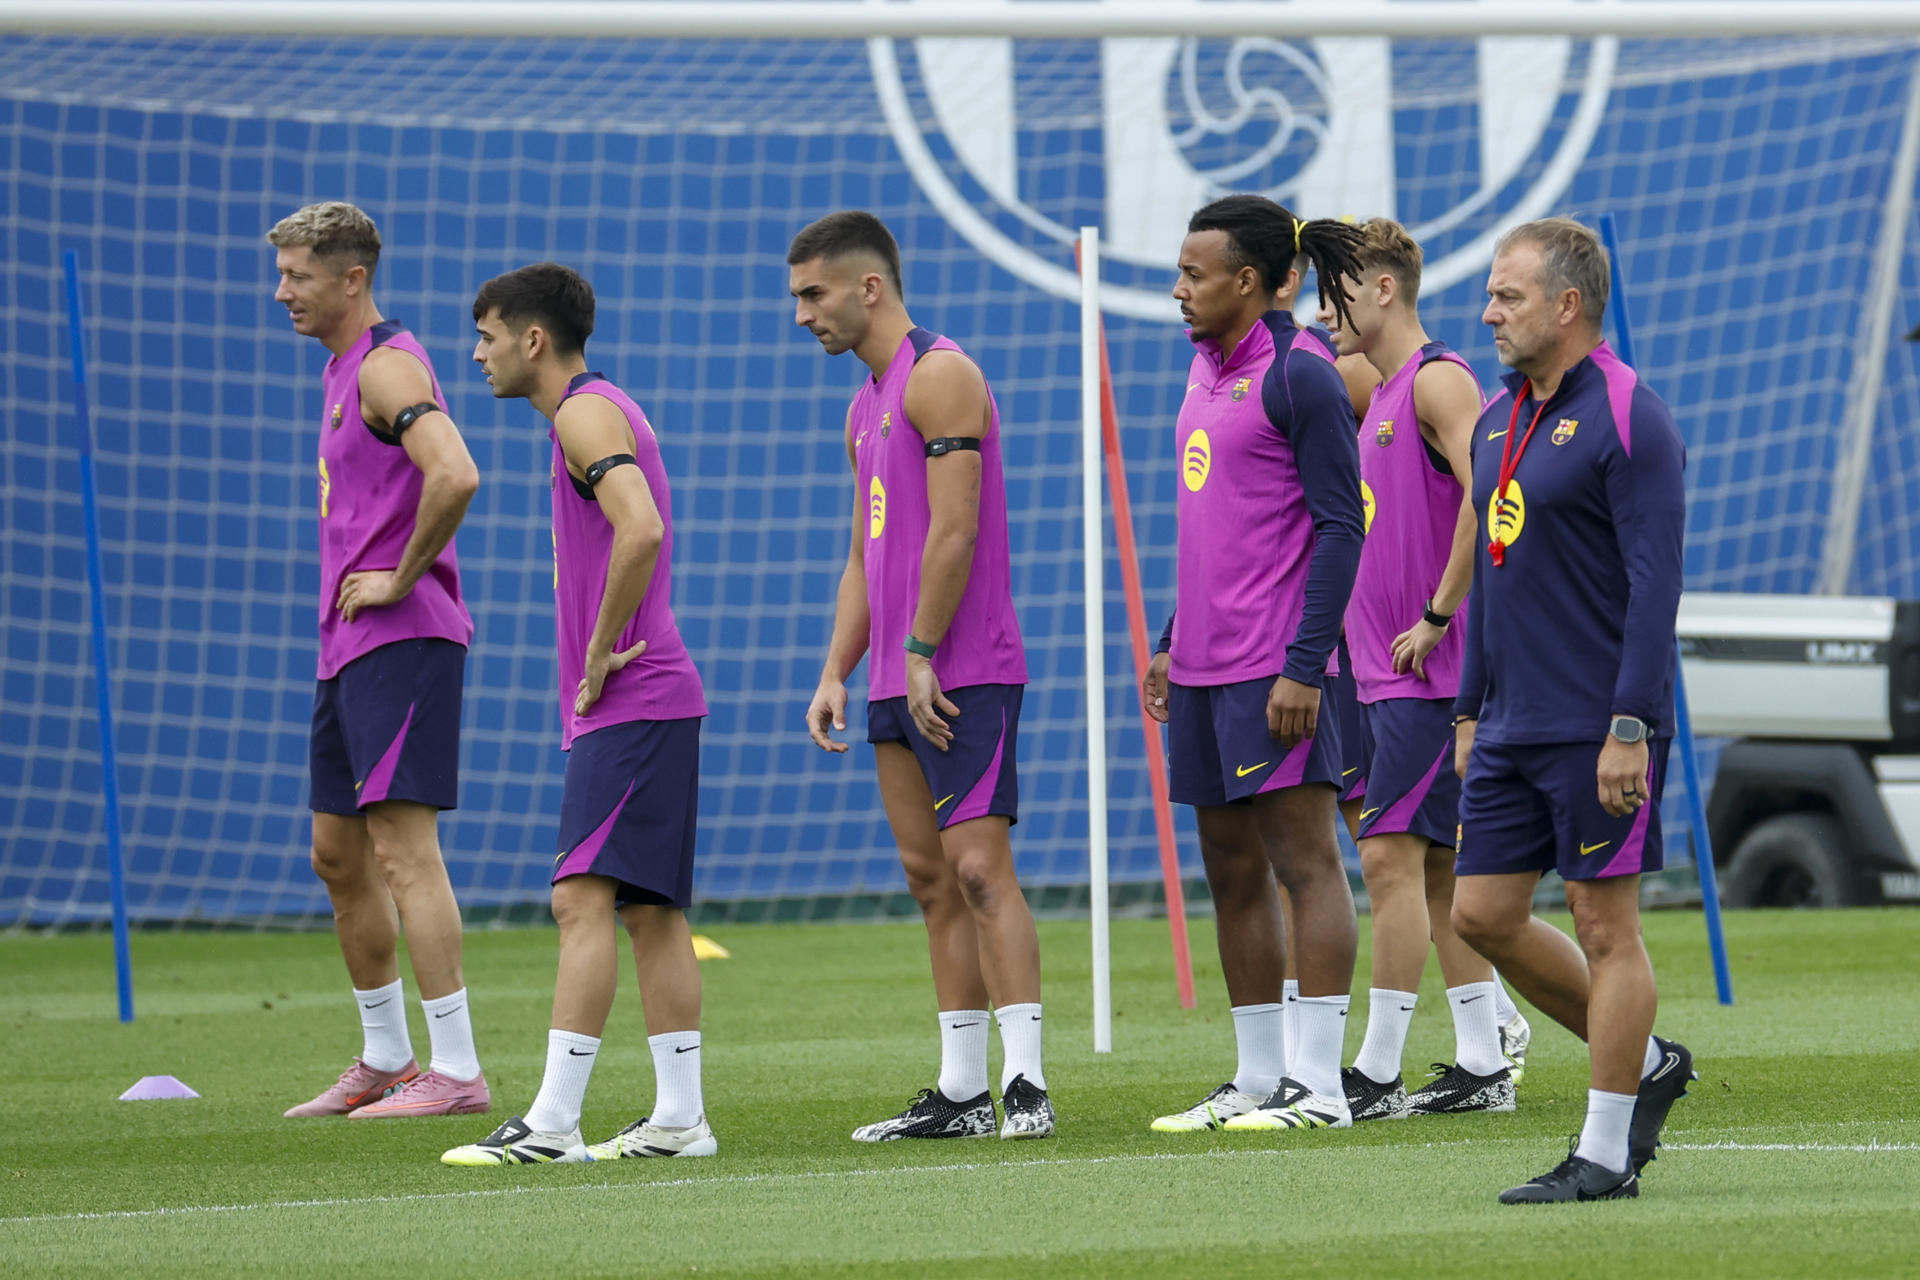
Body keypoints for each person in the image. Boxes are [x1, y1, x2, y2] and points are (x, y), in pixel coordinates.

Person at [443, 263, 714, 1165]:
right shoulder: (597, 410)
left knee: (579, 898)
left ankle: (554, 1124)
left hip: (633, 699)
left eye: (486, 336)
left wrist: (599, 648)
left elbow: (641, 527)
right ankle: (680, 1119)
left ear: (533, 339)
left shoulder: (582, 413)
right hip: (653, 701)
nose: (476, 355)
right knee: (650, 911)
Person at [790, 211, 1052, 1141]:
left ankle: (1026, 1083)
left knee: (980, 870)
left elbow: (956, 529)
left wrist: (920, 650)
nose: (802, 315)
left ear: (870, 288)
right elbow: (865, 557)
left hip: (960, 667)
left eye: (813, 294)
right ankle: (961, 1093)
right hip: (899, 677)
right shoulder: (862, 408)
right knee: (930, 879)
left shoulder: (942, 374)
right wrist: (838, 669)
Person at [1450, 217, 1695, 1203]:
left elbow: (1655, 585)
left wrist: (1631, 724)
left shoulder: (1633, 415)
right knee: (1480, 915)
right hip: (1508, 723)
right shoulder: (1494, 421)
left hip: (1601, 726)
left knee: (1604, 926)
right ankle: (1645, 1062)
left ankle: (1604, 1153)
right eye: (1490, 294)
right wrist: (1468, 711)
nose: (1488, 313)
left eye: (1506, 296)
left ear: (1566, 304)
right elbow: (1492, 576)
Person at [1142, 194, 1368, 1133]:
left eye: (1194, 275)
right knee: (1231, 870)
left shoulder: (1301, 374)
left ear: (1246, 281)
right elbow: (1221, 529)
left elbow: (1342, 527)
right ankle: (1256, 1078)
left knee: (1305, 864)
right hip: (1203, 668)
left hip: (1277, 670)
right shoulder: (1203, 373)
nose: (1179, 290)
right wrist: (1171, 637)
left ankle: (1321, 1088)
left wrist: (1305, 667)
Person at [271, 201, 489, 1121]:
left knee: (403, 851)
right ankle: (387, 1056)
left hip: (402, 638)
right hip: (347, 646)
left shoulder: (387, 365)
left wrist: (401, 578)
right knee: (338, 856)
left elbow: (456, 471)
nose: (283, 292)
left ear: (352, 278)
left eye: (298, 275)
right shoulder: (341, 370)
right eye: (282, 274)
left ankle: (458, 1070)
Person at [1318, 218, 1530, 1120]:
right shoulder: (1378, 389)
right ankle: (1482, 1060)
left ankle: (1375, 1072)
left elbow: (1492, 494)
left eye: (1335, 294)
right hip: (1383, 672)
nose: (1323, 313)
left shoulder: (1440, 379)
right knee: (1437, 872)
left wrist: (1439, 614)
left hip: (1428, 674)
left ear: (1383, 290)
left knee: (1387, 860)